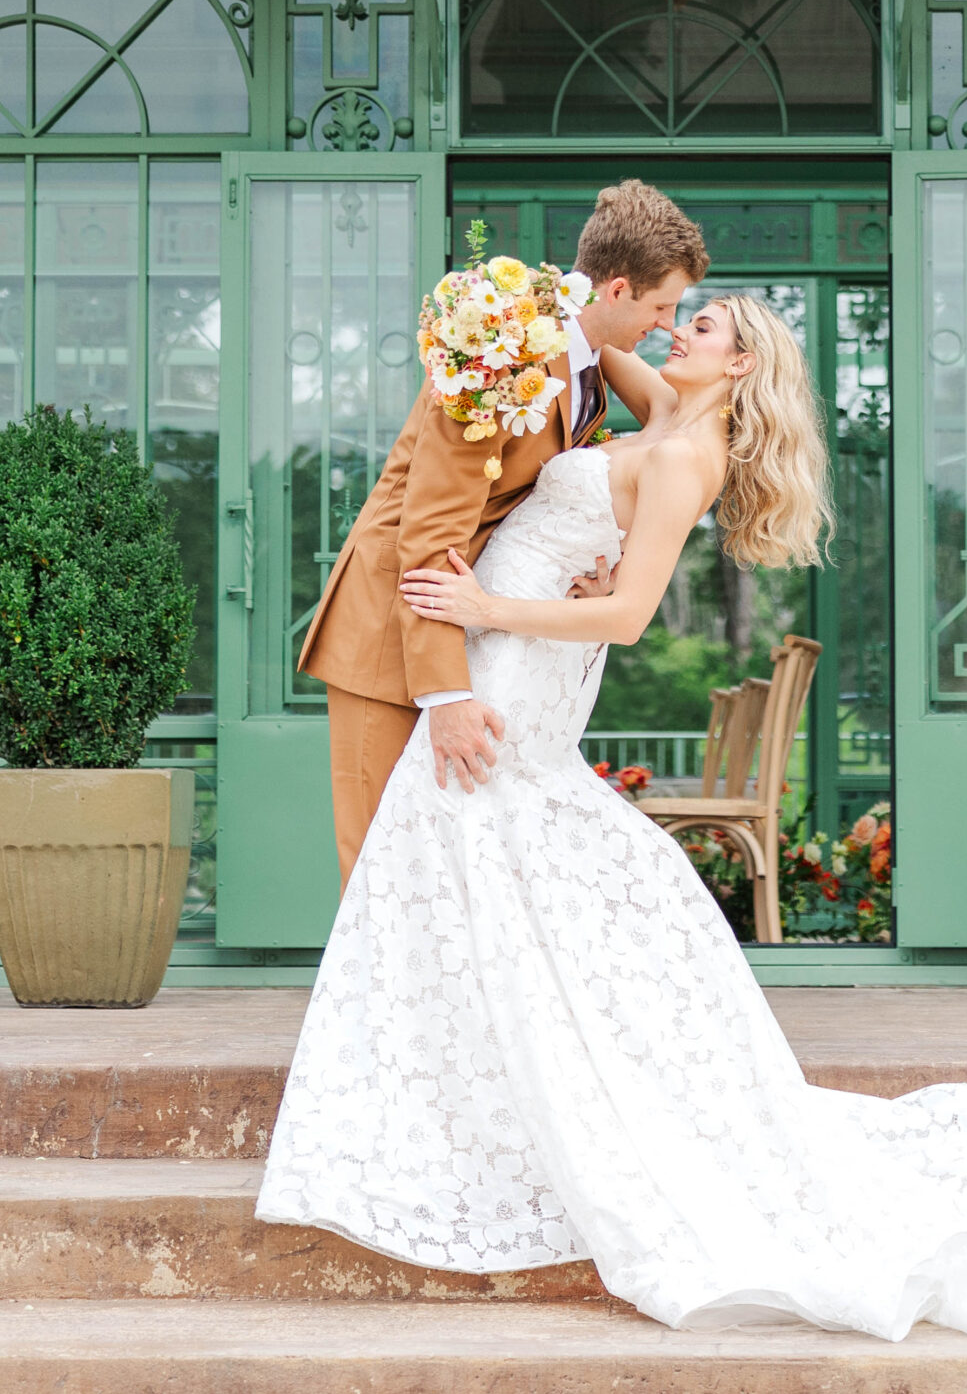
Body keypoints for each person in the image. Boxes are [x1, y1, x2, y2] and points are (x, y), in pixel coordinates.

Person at [257, 285, 967, 1341]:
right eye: (681, 314)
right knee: (455, 862)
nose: (681, 329)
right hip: (503, 643)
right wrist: (523, 302)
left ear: (743, 363)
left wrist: (485, 607)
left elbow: (626, 617)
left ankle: (503, 1082)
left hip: (521, 656)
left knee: (481, 835)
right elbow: (585, 339)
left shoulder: (683, 457)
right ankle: (458, 1083)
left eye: (702, 325)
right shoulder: (663, 403)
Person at [295, 179, 707, 884]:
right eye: (663, 305)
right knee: (377, 871)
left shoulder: (582, 361)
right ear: (615, 289)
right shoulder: (499, 351)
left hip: (467, 628)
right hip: (391, 630)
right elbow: (427, 531)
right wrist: (446, 696)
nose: (670, 325)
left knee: (441, 867)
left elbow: (665, 421)